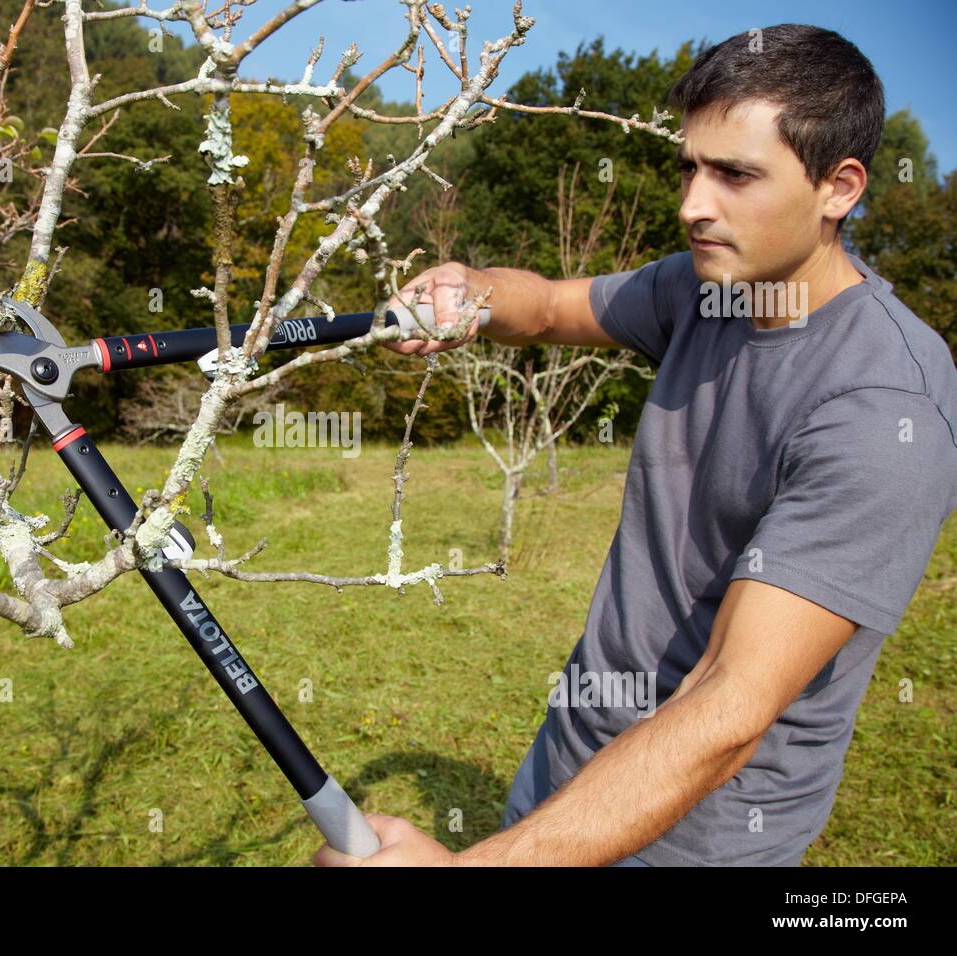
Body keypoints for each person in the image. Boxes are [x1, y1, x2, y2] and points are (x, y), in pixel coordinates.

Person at [315, 23, 957, 867]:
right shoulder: (703, 288)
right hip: (567, 764)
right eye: (690, 166)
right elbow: (545, 305)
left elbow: (729, 706)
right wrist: (472, 292)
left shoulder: (883, 407)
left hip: (702, 830)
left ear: (839, 188)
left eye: (735, 175)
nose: (694, 203)